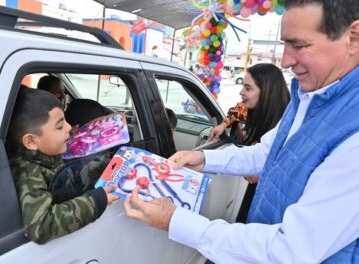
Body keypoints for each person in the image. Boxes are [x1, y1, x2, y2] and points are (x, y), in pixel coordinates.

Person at [124, 1, 359, 263]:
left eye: (300, 45)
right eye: (284, 44)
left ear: (353, 38)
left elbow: (291, 251)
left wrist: (176, 221)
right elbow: (269, 153)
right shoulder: (309, 95)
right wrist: (203, 159)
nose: (285, 60)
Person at [7, 88, 118, 244]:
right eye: (59, 126)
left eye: (65, 120)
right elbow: (41, 226)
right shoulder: (28, 174)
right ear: (31, 141)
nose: (68, 127)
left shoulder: (46, 151)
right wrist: (96, 201)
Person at [208, 63, 290, 222]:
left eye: (248, 88)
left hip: (272, 202)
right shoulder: (255, 109)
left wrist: (262, 176)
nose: (241, 92)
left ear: (267, 91)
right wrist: (223, 125)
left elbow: (291, 170)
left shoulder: (286, 123)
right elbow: (237, 111)